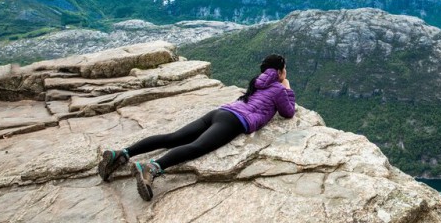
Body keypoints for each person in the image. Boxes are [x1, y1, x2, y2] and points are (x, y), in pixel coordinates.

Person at [97, 54, 295, 201]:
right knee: (198, 147)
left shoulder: (256, 82)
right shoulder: (278, 88)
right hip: (234, 122)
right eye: (284, 69)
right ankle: (152, 167)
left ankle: (122, 153)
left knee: (173, 137)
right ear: (279, 72)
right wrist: (287, 88)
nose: (285, 72)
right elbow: (288, 112)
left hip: (218, 113)